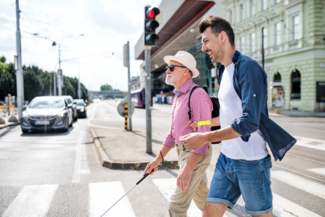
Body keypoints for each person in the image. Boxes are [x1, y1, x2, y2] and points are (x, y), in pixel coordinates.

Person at [180, 16, 276, 217]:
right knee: (209, 214)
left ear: (222, 37)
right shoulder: (224, 71)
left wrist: (205, 137)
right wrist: (203, 124)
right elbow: (229, 116)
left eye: (206, 41)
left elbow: (249, 122)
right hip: (227, 159)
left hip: (251, 161)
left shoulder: (248, 68)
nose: (204, 48)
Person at [143, 51, 213, 217]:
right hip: (183, 152)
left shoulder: (197, 95)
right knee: (204, 201)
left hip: (196, 154)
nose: (167, 71)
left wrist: (187, 169)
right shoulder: (179, 96)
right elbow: (173, 133)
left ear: (186, 71)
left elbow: (204, 136)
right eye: (168, 67)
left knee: (176, 207)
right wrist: (157, 160)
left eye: (172, 67)